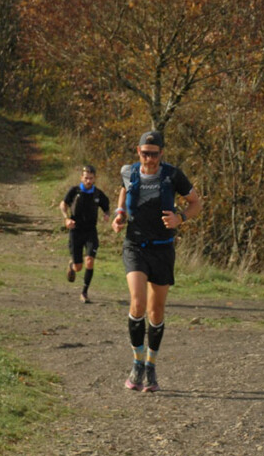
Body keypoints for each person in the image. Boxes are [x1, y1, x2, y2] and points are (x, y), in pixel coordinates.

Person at [111, 130, 202, 392]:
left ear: (162, 153)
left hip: (162, 249)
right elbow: (123, 190)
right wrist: (120, 214)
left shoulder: (173, 175)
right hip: (135, 246)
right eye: (144, 153)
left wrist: (180, 218)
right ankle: (137, 362)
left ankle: (150, 365)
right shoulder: (128, 171)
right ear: (137, 151)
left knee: (156, 311)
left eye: (154, 154)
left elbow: (196, 202)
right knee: (137, 302)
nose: (149, 159)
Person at [60, 165, 110, 303]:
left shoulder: (98, 194)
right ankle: (72, 265)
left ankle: (84, 292)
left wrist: (107, 215)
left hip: (90, 232)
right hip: (76, 231)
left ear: (95, 179)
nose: (88, 181)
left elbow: (106, 208)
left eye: (91, 178)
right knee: (78, 267)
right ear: (81, 177)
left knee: (89, 261)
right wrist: (66, 218)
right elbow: (63, 204)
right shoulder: (74, 191)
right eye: (86, 178)